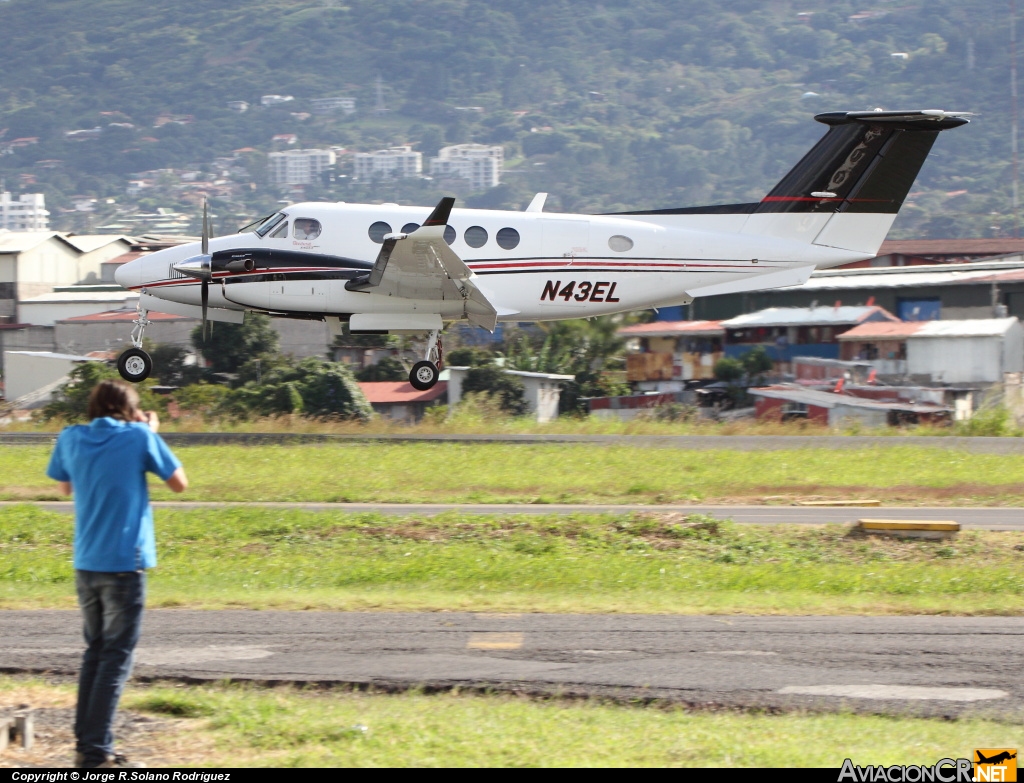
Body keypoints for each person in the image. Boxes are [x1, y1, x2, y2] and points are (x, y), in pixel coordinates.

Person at [46, 380, 188, 768]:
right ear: (130, 409)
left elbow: (64, 487)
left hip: (86, 561)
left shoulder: (71, 437)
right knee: (116, 657)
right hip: (124, 561)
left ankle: (87, 743)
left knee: (95, 653)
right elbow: (179, 484)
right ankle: (95, 752)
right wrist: (149, 433)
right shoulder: (140, 436)